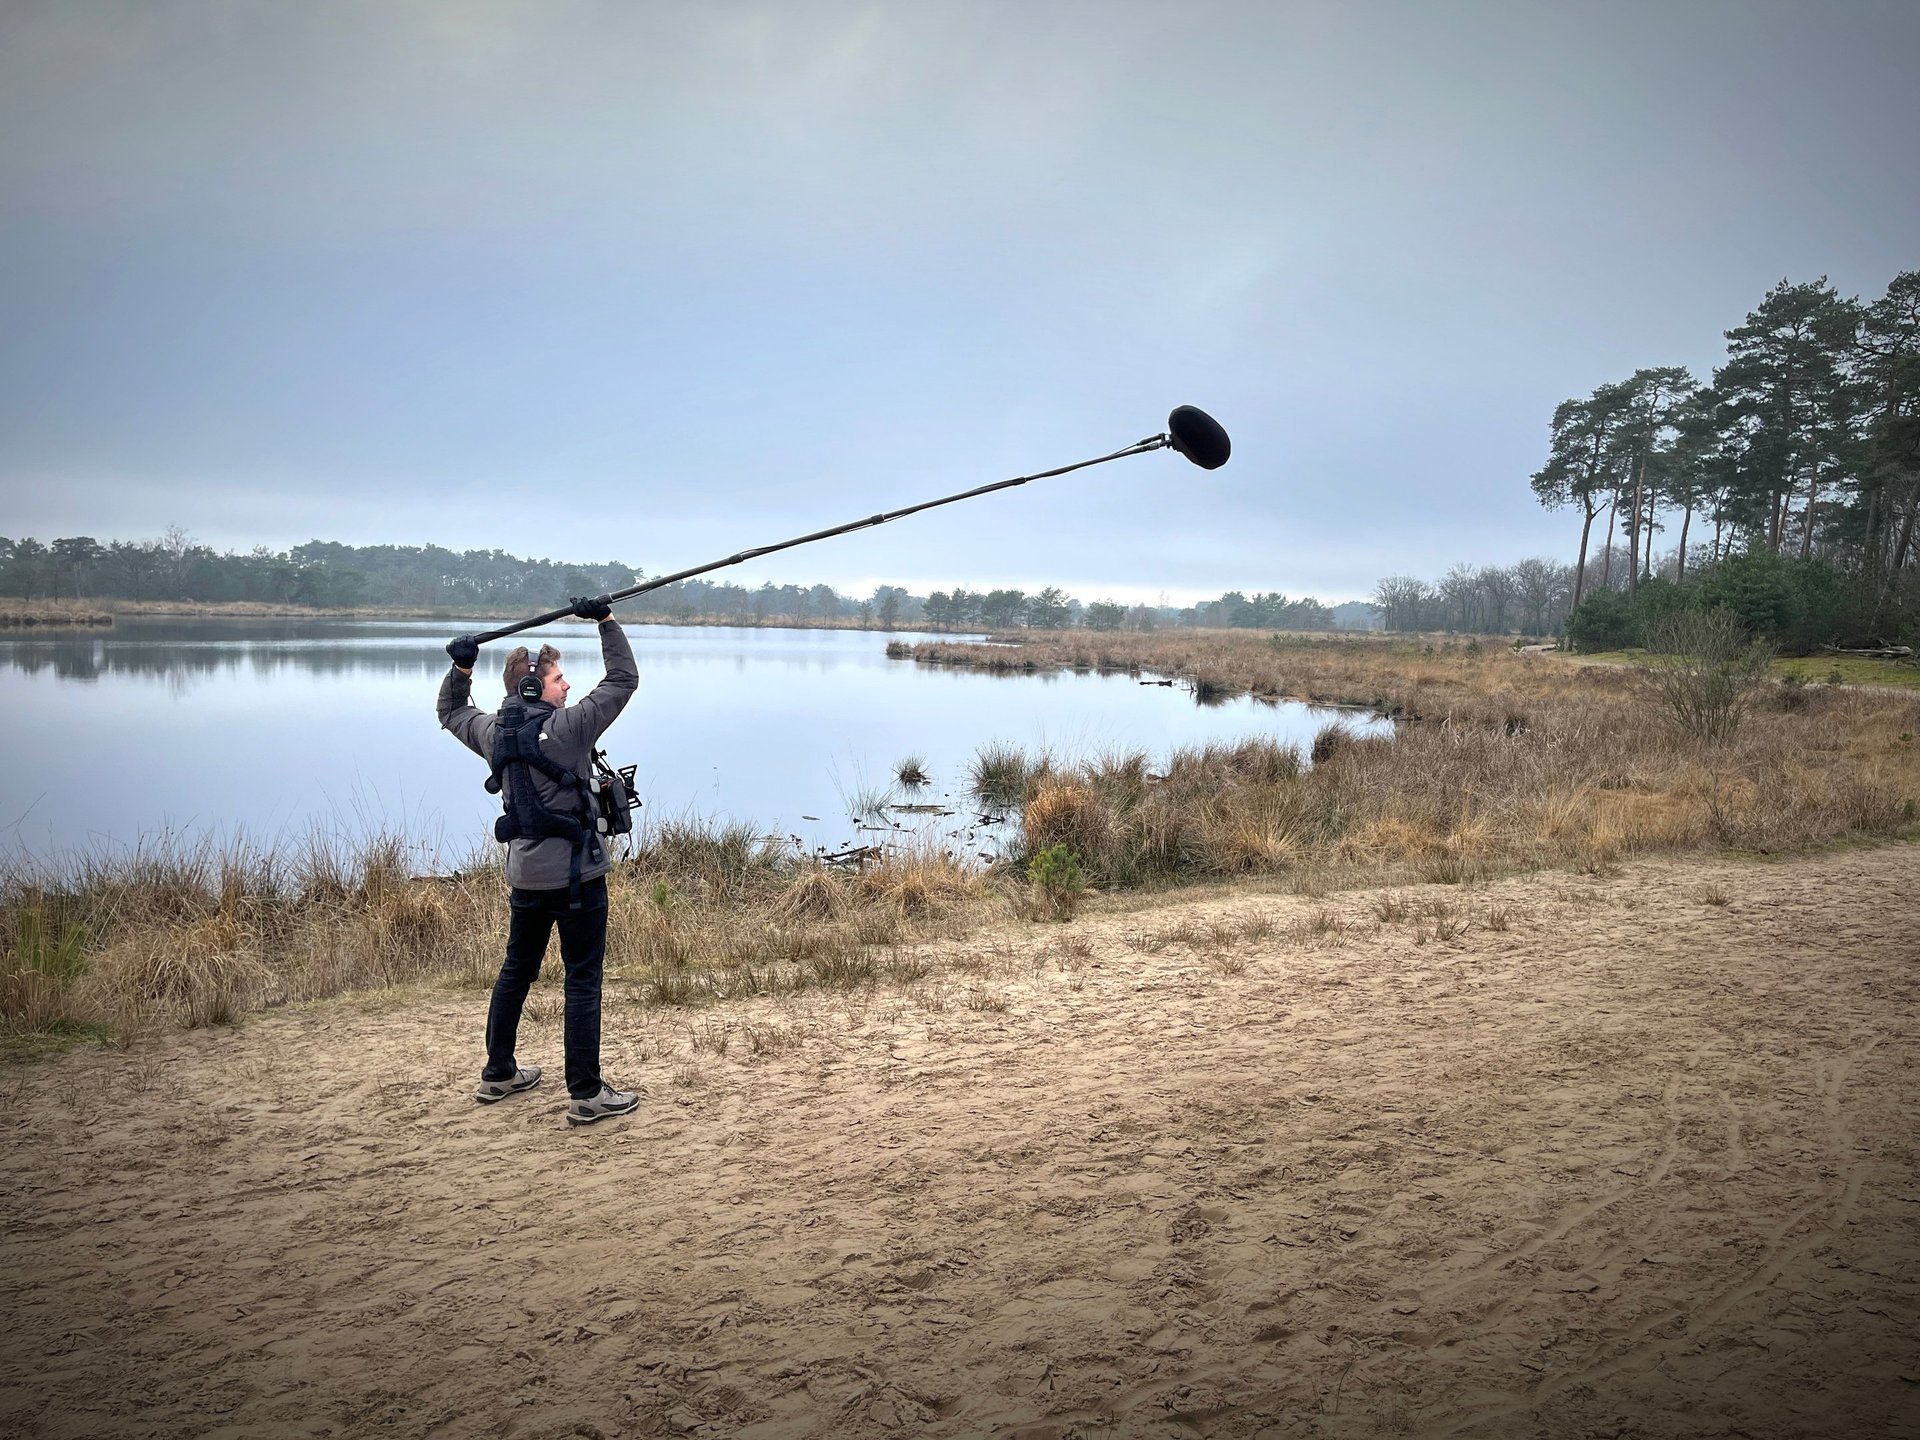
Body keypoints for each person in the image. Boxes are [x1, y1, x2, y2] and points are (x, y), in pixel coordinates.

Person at [440, 597, 640, 1126]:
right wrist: (606, 621)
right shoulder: (571, 729)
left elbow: (451, 712)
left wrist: (461, 669)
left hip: (525, 877)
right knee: (582, 980)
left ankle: (498, 1072)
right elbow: (622, 680)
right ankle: (586, 1094)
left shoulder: (492, 733)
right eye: (558, 680)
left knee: (516, 971)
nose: (567, 687)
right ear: (533, 687)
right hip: (577, 879)